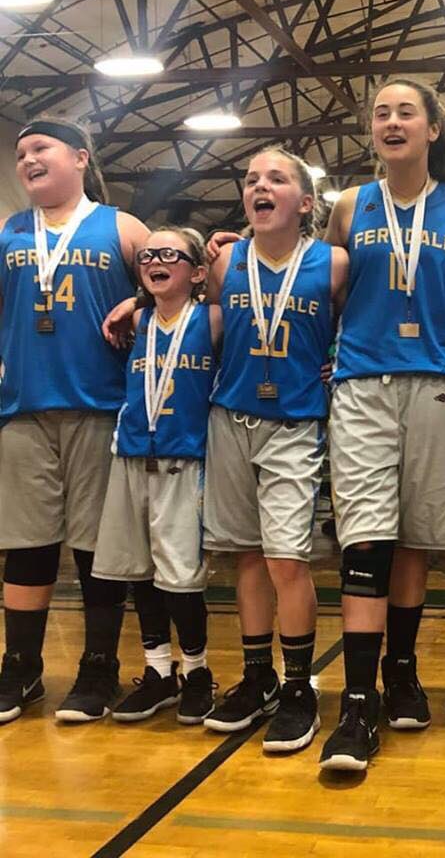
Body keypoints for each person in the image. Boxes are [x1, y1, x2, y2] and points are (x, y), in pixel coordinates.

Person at [318, 78, 445, 771]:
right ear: (373, 130)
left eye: (405, 112)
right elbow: (316, 286)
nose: (391, 122)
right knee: (366, 537)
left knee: (415, 538)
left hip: (437, 384)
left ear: (431, 128)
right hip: (361, 383)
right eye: (381, 113)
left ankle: (401, 670)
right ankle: (356, 703)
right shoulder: (347, 206)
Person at [0, 118, 148, 723]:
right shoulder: (9, 230)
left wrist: (138, 300)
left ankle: (98, 667)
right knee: (26, 546)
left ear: (81, 158)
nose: (28, 160)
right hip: (23, 410)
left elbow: (180, 288)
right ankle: (21, 667)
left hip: (98, 407)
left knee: (95, 551)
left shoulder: (121, 227)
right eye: (20, 154)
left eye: (40, 149)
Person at [198, 146, 345, 753]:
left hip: (295, 421)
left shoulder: (333, 263)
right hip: (230, 417)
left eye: (276, 179)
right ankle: (256, 676)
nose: (260, 186)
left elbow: (359, 324)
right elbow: (200, 321)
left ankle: (297, 687)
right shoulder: (226, 259)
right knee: (246, 557)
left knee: (288, 559)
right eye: (252, 179)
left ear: (305, 202)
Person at [93, 227, 220, 725]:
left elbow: (261, 307)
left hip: (184, 459)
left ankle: (198, 672)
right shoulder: (139, 319)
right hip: (129, 457)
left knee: (181, 578)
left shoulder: (213, 320)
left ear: (198, 272)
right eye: (148, 255)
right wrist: (131, 300)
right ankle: (158, 671)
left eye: (170, 254)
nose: (155, 260)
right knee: (139, 571)